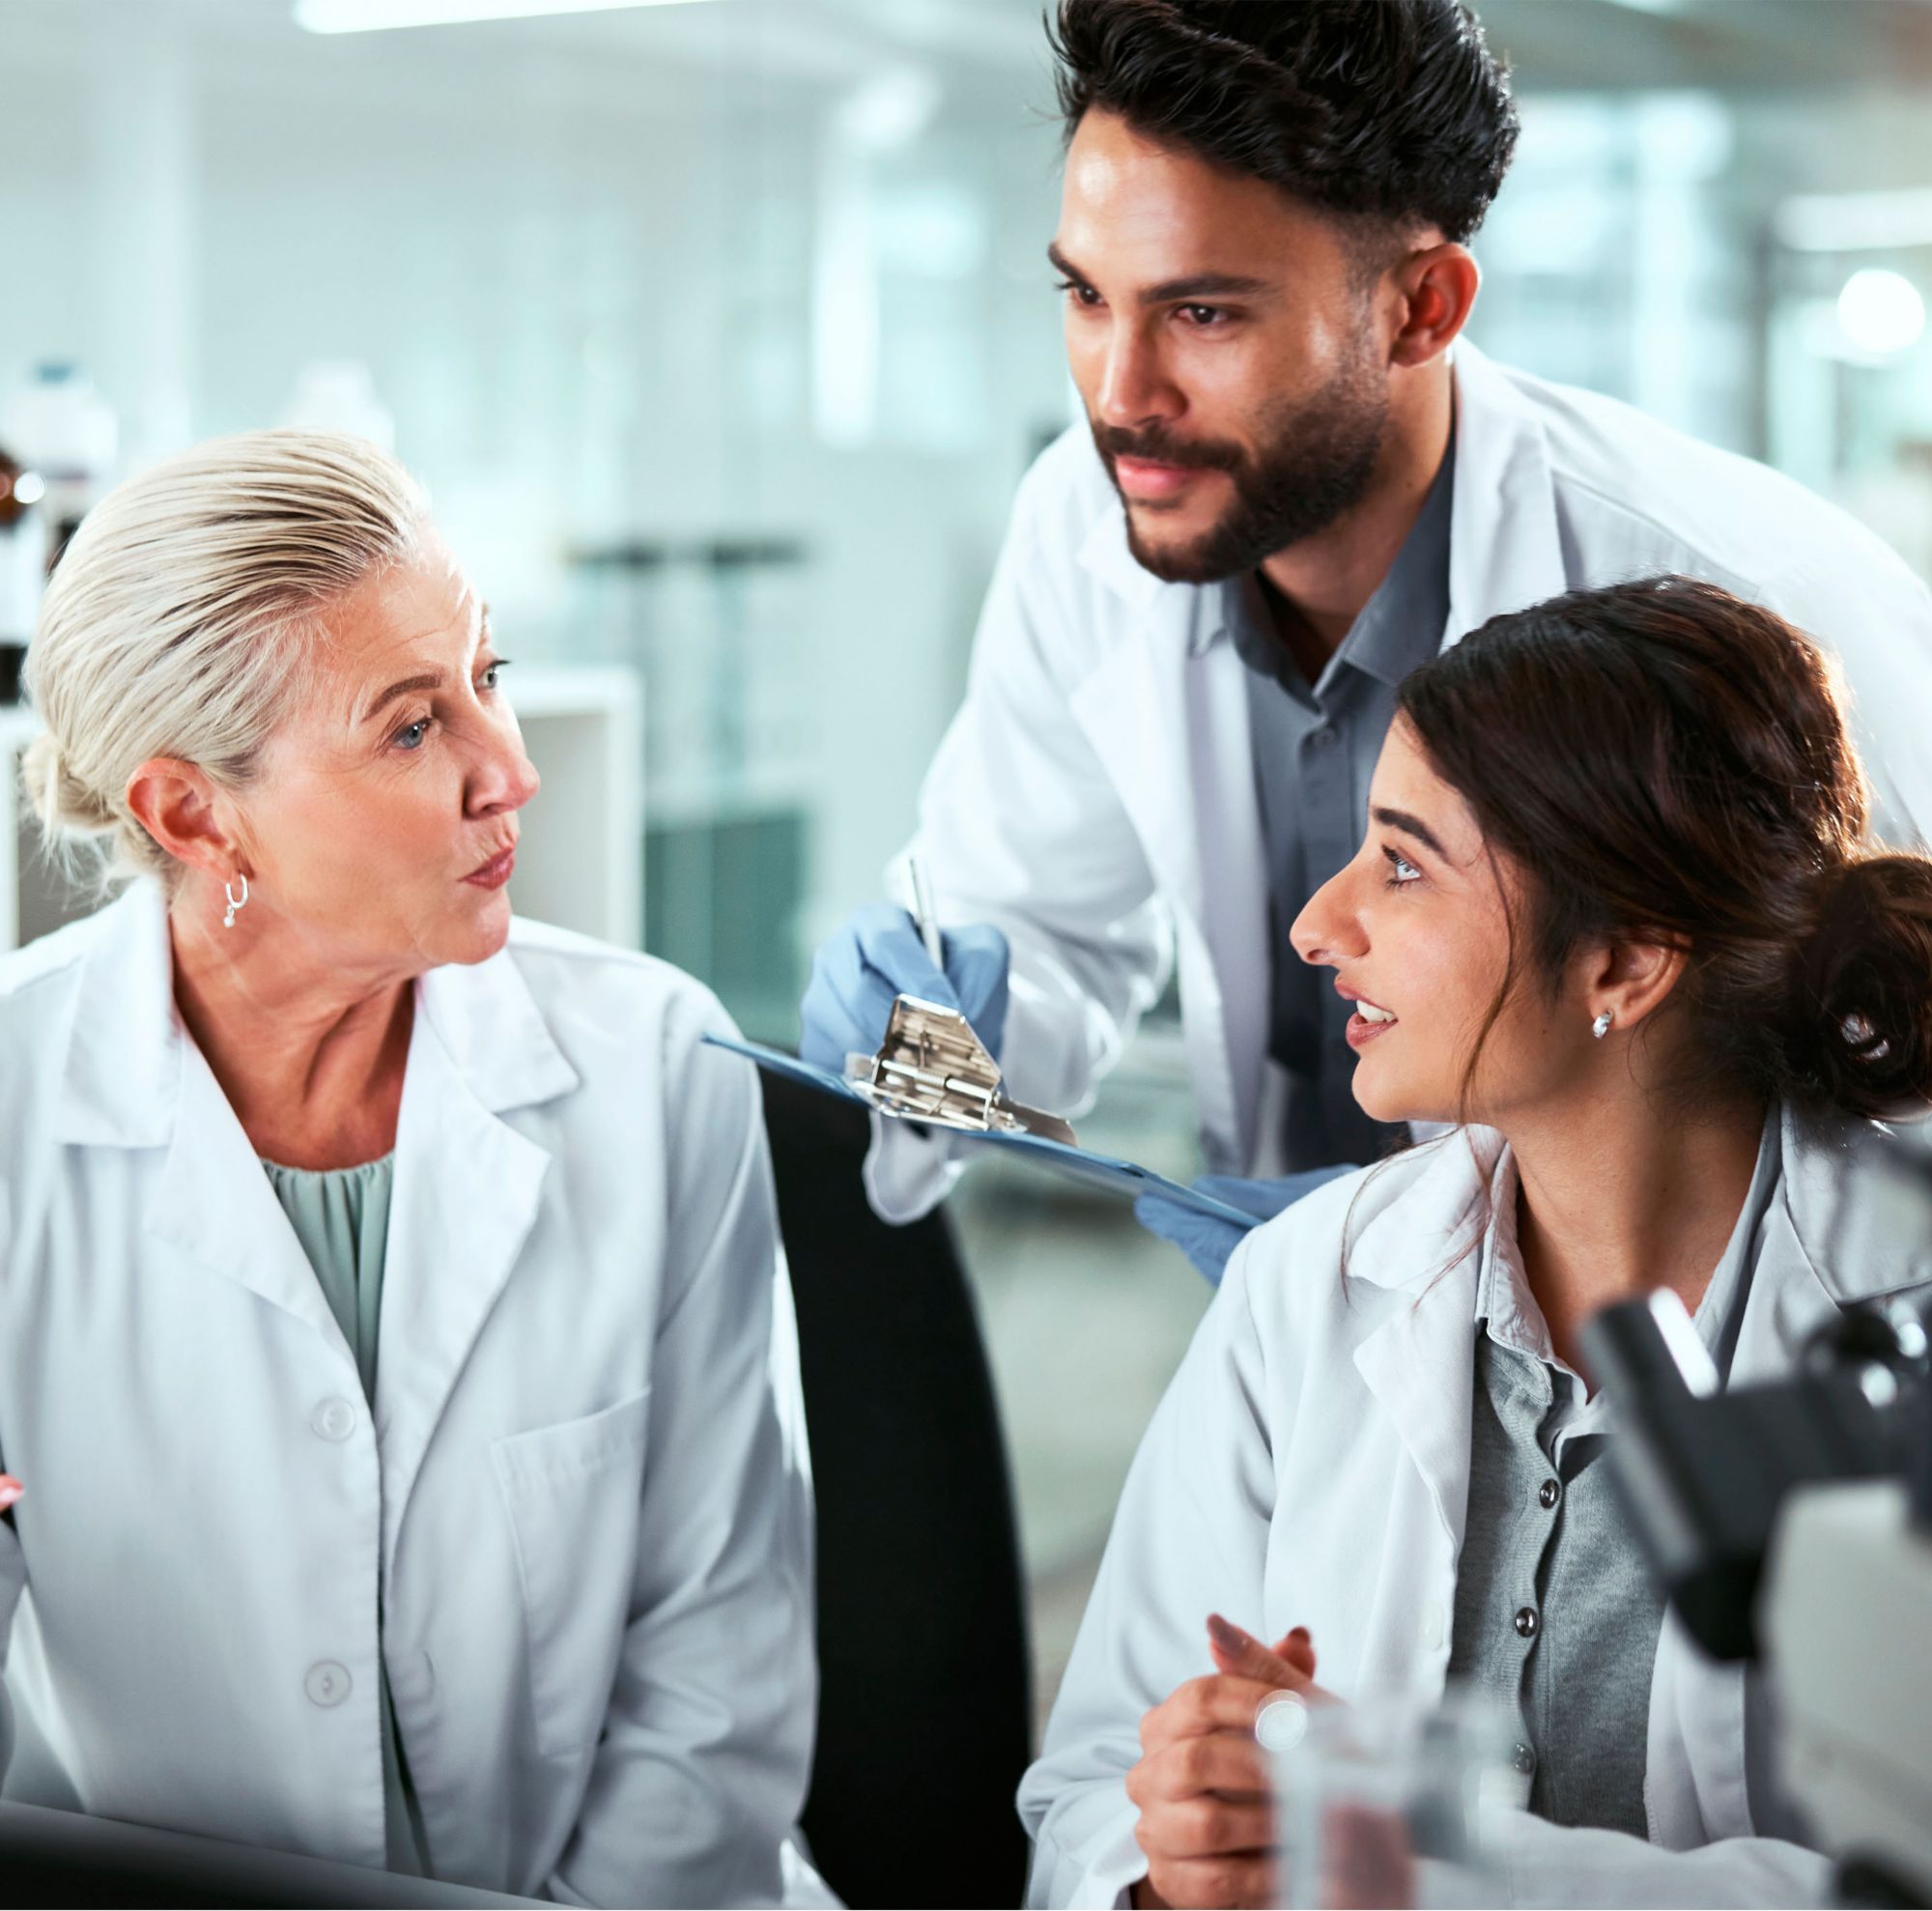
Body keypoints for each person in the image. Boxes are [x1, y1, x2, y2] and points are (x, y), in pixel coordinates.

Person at [798, 0, 1932, 1280]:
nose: (1120, 395)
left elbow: (1900, 1124)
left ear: (1423, 309)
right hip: (1298, 1374)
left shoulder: (1763, 606)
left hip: (1668, 1402)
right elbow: (1035, 928)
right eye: (1087, 296)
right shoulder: (1086, 522)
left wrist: (1445, 1252)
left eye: (1204, 314)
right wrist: (929, 1032)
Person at [1016, 575, 1932, 1908]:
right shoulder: (1311, 1285)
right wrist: (1177, 1864)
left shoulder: (1896, 1332)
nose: (1320, 926)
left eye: (1403, 863)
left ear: (1624, 959)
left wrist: (1381, 1848)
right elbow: (1091, 1789)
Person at [0, 433, 826, 1907]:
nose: (506, 770)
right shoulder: (14, 1107)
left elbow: (715, 1674)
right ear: (192, 813)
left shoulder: (651, 1067)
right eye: (408, 728)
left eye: (488, 679)